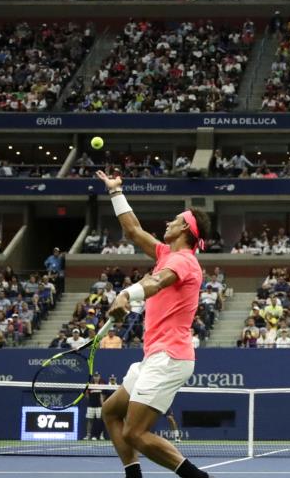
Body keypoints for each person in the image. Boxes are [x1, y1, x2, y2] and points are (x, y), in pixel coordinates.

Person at [95, 169, 213, 478]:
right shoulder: (165, 253)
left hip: (169, 357)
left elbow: (158, 282)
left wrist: (126, 293)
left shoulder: (184, 261)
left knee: (136, 432)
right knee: (111, 412)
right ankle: (133, 475)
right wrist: (115, 191)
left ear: (186, 228)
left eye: (174, 220)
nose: (167, 223)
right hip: (154, 356)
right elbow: (133, 231)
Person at [85, 373, 106, 441]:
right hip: (91, 406)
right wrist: (91, 401)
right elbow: (87, 394)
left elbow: (104, 394)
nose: (96, 378)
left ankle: (101, 435)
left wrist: (102, 403)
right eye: (95, 376)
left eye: (97, 376)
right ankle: (88, 435)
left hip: (99, 406)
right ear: (93, 377)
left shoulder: (103, 383)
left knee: (100, 421)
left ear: (100, 377)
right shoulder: (90, 384)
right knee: (89, 420)